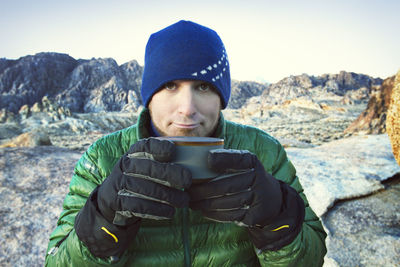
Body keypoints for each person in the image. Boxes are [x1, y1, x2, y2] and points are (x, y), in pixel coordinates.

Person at [45, 20, 327, 266]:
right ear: (150, 95)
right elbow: (57, 261)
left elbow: (312, 258)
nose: (188, 108)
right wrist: (103, 221)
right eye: (170, 86)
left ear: (221, 96)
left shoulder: (263, 151)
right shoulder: (102, 158)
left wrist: (277, 218)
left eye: (203, 87)